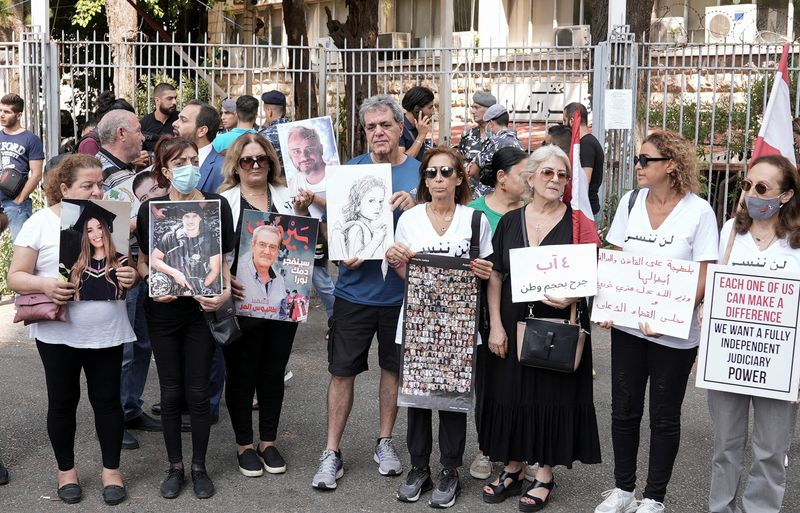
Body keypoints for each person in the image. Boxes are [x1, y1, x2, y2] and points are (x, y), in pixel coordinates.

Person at [595, 130, 719, 513]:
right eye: (638, 159)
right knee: (624, 409)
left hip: (675, 335)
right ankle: (623, 489)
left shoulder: (699, 211)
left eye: (646, 160)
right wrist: (610, 304)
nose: (638, 166)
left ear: (672, 165)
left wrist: (673, 316)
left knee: (664, 417)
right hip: (630, 329)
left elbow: (704, 272)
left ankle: (654, 497)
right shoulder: (630, 202)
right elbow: (616, 256)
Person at [8, 154, 139, 505]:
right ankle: (66, 471)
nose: (97, 190)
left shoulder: (113, 221)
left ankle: (112, 470)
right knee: (63, 401)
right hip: (58, 332)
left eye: (100, 184)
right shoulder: (40, 221)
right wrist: (47, 285)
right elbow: (15, 277)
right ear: (64, 188)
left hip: (107, 330)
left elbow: (127, 271)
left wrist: (131, 275)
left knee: (108, 401)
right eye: (88, 185)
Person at [479, 145, 601, 511]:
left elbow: (595, 275)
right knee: (509, 392)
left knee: (550, 396)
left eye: (562, 175)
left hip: (557, 323)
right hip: (511, 317)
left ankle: (544, 473)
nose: (556, 180)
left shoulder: (579, 224)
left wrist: (574, 297)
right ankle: (513, 467)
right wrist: (495, 326)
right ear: (530, 178)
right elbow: (496, 276)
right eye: (547, 173)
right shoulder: (510, 222)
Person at [311, 94, 418, 490]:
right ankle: (331, 451)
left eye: (385, 125)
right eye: (371, 127)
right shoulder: (347, 173)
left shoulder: (422, 174)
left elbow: (442, 219)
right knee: (341, 373)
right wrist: (342, 254)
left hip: (400, 296)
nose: (378, 132)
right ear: (364, 132)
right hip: (354, 292)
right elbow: (331, 228)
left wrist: (418, 201)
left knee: (393, 371)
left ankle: (384, 442)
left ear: (399, 127)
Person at [386, 147, 493, 508]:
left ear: (460, 177)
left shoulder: (475, 221)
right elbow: (405, 274)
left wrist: (484, 271)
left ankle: (449, 470)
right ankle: (419, 467)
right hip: (417, 320)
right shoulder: (410, 219)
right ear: (425, 180)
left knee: (452, 400)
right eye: (431, 173)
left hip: (459, 325)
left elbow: (488, 272)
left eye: (446, 172)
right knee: (416, 398)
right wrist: (396, 260)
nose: (438, 179)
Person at [135, 136, 235, 500]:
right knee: (171, 391)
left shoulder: (217, 206)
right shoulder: (152, 210)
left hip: (201, 313)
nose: (188, 168)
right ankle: (175, 466)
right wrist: (152, 279)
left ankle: (199, 466)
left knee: (199, 392)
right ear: (165, 171)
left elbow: (225, 260)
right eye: (179, 163)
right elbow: (145, 260)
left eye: (193, 159)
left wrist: (223, 292)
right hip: (163, 312)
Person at [708, 155, 800, 513]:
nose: (751, 194)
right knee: (725, 446)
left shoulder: (796, 242)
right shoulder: (730, 231)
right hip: (730, 356)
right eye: (747, 185)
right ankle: (721, 508)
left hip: (780, 362)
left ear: (786, 196)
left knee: (771, 451)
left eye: (762, 188)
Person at [218, 133, 300, 477]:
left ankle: (268, 441)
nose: (254, 165)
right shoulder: (224, 200)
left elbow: (307, 244)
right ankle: (244, 444)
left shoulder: (288, 197)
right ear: (236, 166)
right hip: (241, 303)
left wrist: (306, 210)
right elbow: (213, 250)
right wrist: (225, 278)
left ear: (271, 163)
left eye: (261, 159)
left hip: (282, 303)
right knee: (241, 373)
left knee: (272, 372)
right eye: (247, 160)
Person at [97, 108, 161, 449]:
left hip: (141, 266)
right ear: (122, 134)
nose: (143, 136)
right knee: (121, 348)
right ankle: (114, 416)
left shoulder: (127, 171)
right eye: (138, 130)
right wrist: (133, 224)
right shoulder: (98, 173)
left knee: (142, 342)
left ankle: (131, 406)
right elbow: (94, 225)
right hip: (117, 270)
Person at [465, 145, 527, 480]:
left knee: (520, 385)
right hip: (480, 309)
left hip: (521, 309)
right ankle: (486, 448)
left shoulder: (532, 211)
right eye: (524, 174)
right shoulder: (473, 212)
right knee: (487, 384)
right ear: (502, 178)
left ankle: (521, 450)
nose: (531, 180)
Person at [286, 125, 336, 319]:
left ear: (321, 149)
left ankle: (339, 318)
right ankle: (335, 318)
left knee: (331, 282)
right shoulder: (294, 182)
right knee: (320, 281)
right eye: (296, 151)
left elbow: (344, 209)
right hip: (309, 237)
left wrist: (314, 199)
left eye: (309, 148)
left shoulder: (335, 173)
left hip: (334, 234)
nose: (303, 155)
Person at [0, 93, 44, 240]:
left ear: (18, 115)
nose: (2, 115)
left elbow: (37, 174)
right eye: (0, 110)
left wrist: (20, 199)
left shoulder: (31, 139)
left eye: (7, 112)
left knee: (21, 246)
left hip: (15, 204)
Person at [66, 201, 127, 301]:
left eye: (100, 228)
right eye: (90, 230)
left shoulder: (122, 263)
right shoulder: (78, 269)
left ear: (107, 229)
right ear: (86, 235)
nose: (96, 234)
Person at [467, 104, 522, 196]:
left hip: (491, 195)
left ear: (491, 124)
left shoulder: (495, 143)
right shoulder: (517, 143)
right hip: (512, 193)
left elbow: (473, 170)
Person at [330, 175, 389, 260]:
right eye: (371, 201)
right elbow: (354, 258)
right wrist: (376, 240)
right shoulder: (356, 228)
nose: (378, 206)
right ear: (357, 205)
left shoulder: (369, 228)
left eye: (381, 201)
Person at [173, 99, 224, 194]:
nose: (174, 123)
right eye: (178, 118)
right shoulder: (169, 161)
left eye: (183, 120)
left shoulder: (222, 168)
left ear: (202, 131)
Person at [563, 102, 604, 217]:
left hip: (586, 211)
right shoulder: (588, 142)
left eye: (564, 121)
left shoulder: (586, 144)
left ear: (572, 121)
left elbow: (584, 180)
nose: (563, 125)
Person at [456, 91, 497, 199]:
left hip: (493, 196)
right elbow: (459, 163)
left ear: (489, 110)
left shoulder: (499, 137)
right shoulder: (467, 135)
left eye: (477, 107)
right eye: (472, 107)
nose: (473, 111)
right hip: (469, 196)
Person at [140, 83, 179, 153]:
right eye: (169, 98)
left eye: (175, 98)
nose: (174, 102)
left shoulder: (180, 120)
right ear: (157, 100)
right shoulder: (144, 123)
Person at [399, 86, 435, 160]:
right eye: (430, 108)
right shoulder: (400, 128)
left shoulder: (417, 126)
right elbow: (401, 161)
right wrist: (421, 136)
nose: (433, 112)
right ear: (417, 109)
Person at [257, 90, 289, 167]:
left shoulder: (264, 135)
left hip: (275, 178)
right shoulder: (299, 129)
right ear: (284, 110)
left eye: (265, 111)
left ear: (269, 112)